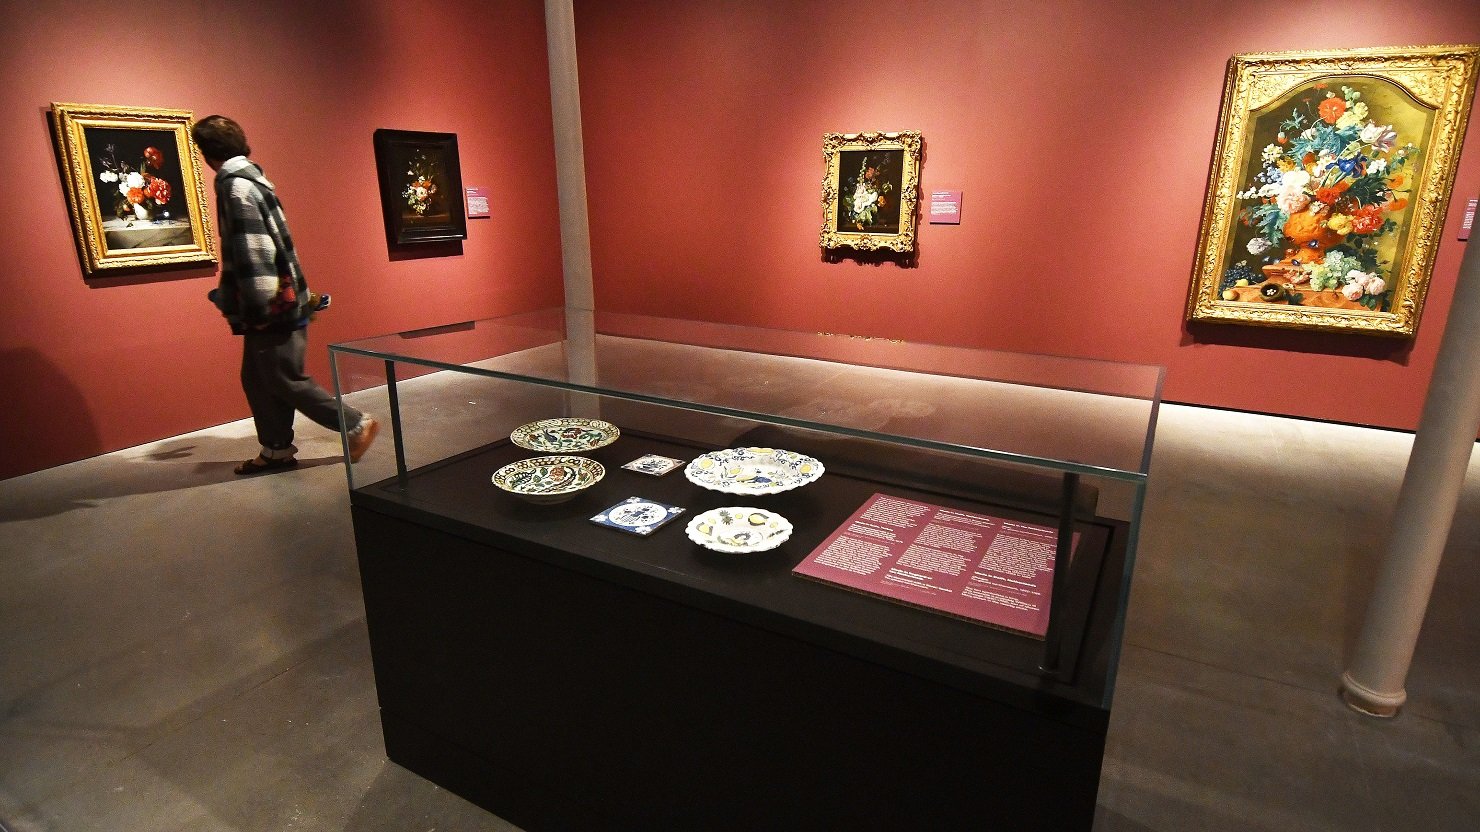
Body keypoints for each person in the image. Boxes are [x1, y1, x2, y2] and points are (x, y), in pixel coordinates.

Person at [192, 115, 378, 474]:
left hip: (270, 304)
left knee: (282, 378)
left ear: (206, 152)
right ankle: (276, 449)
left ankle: (355, 424)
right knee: (258, 377)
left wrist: (258, 306)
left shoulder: (236, 187)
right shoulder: (252, 180)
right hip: (279, 298)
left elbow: (254, 248)